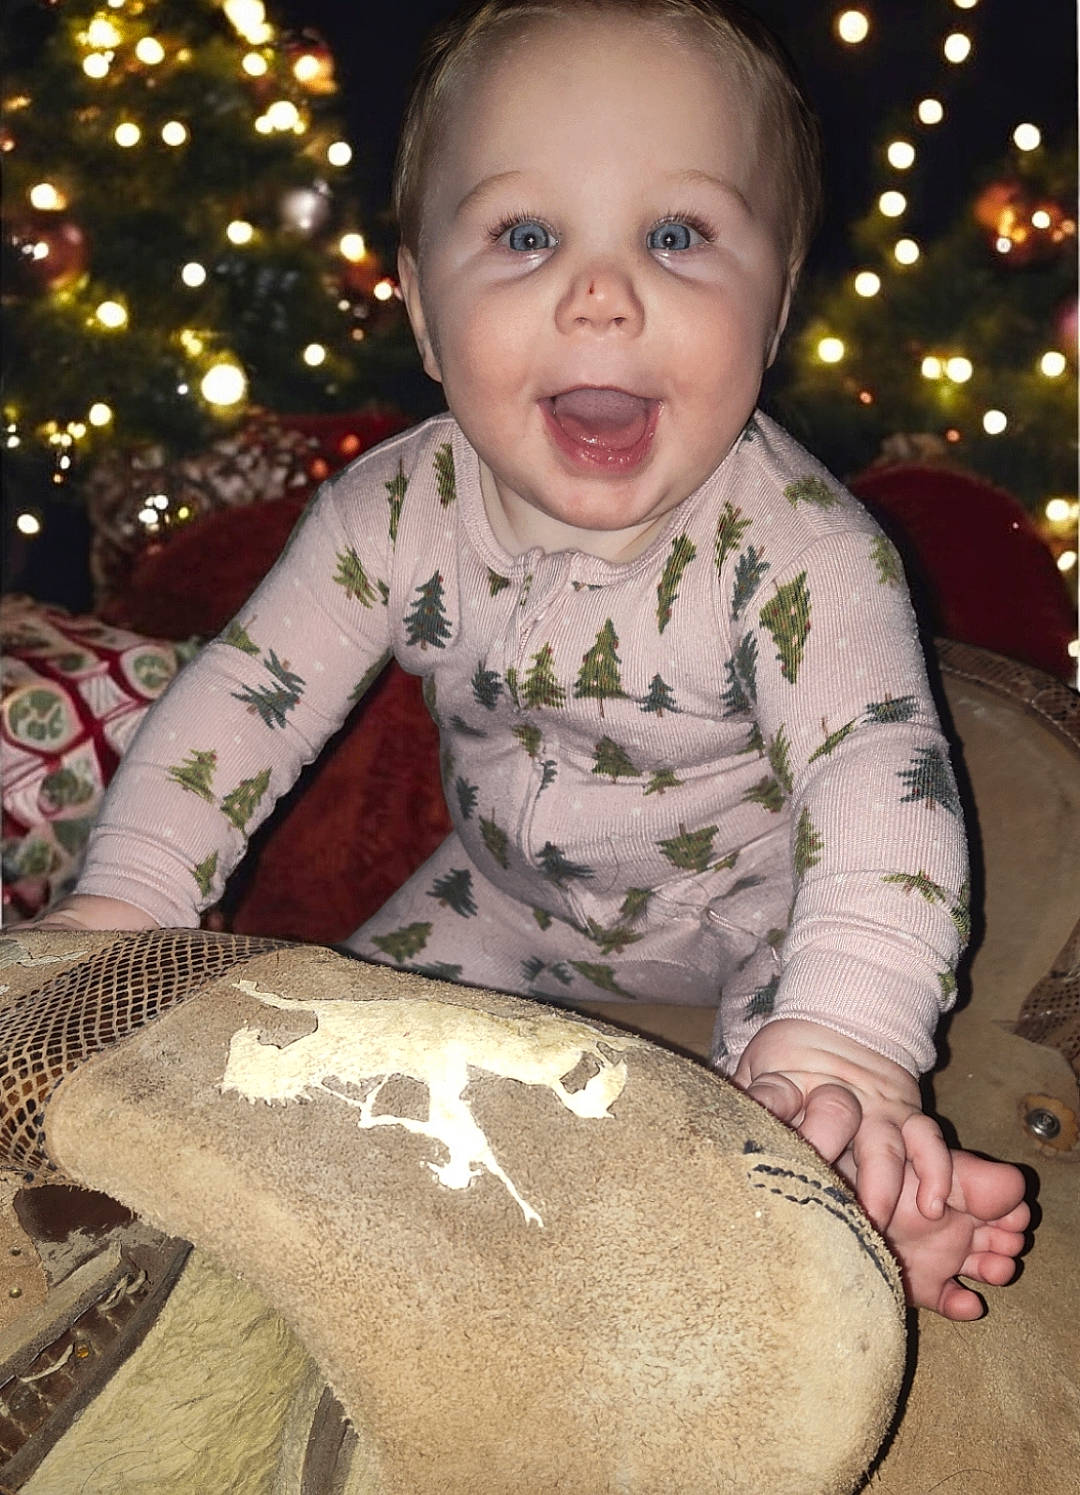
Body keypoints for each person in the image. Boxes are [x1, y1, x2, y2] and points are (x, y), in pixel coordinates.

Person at [39, 0, 1028, 1316]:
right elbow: (239, 708)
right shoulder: (389, 512)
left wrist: (847, 1048)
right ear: (425, 313)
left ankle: (857, 1233)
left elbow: (881, 799)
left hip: (763, 914)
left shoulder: (809, 556)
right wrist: (127, 908)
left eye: (677, 235)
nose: (603, 293)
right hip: (506, 899)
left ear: (776, 302)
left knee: (781, 1137)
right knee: (313, 1064)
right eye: (523, 235)